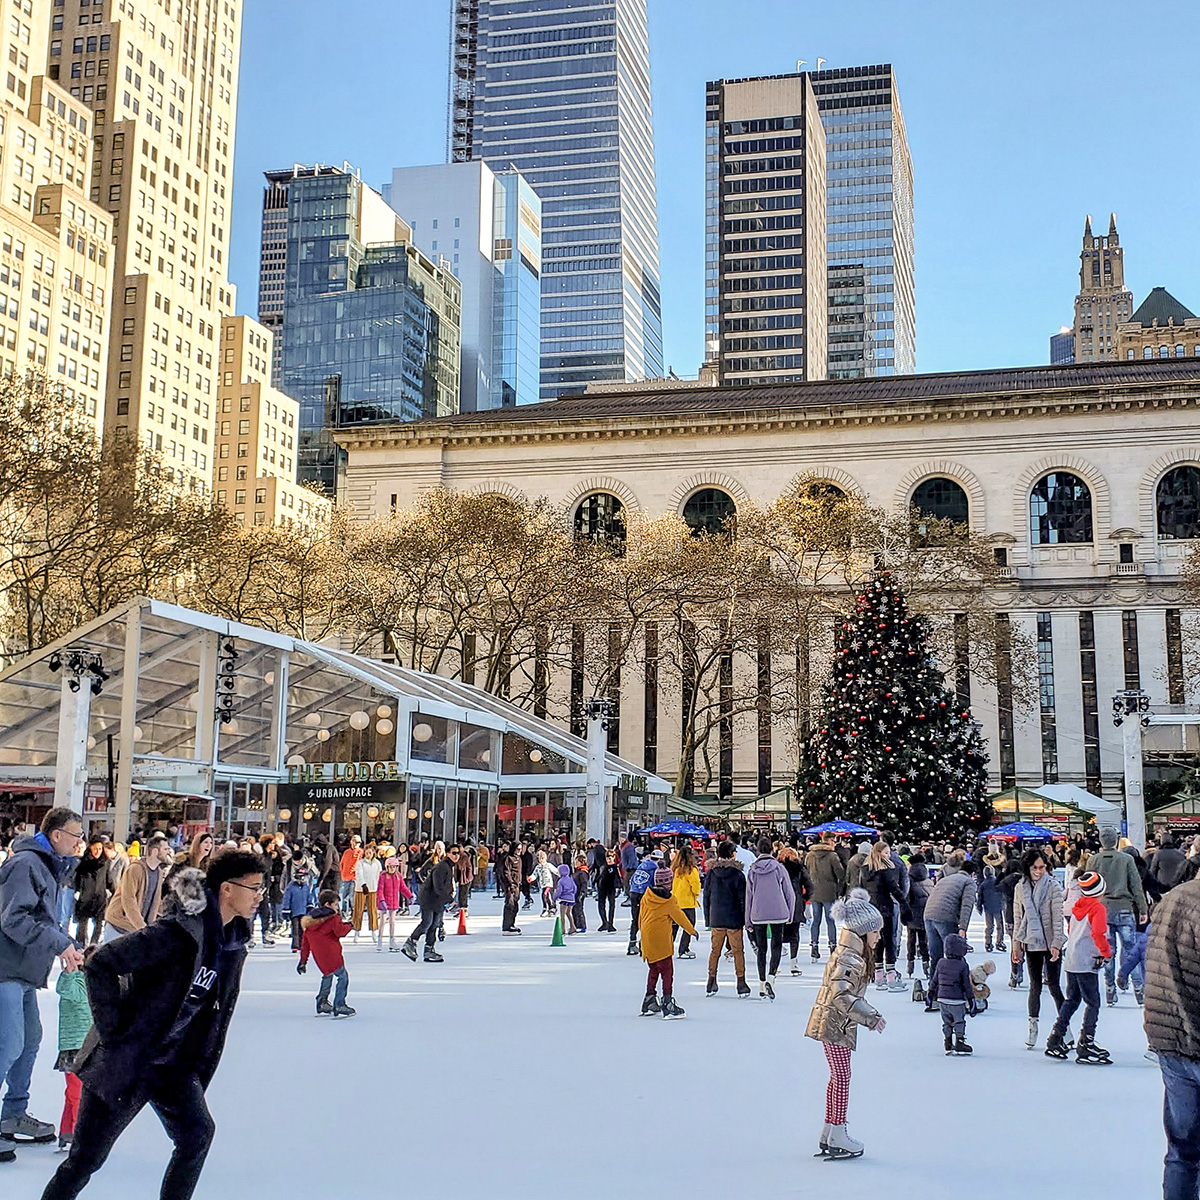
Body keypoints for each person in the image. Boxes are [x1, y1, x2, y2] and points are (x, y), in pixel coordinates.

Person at [41, 852, 262, 1200]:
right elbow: (102, 963)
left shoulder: (233, 942)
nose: (259, 896)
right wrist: (116, 1032)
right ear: (226, 890)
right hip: (131, 1059)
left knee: (197, 1135)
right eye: (254, 888)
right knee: (86, 1159)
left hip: (174, 1063)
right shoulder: (176, 933)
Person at [0, 808, 85, 1158]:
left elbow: (44, 919)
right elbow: (12, 919)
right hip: (5, 969)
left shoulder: (49, 867)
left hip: (24, 972)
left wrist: (70, 946)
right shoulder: (25, 865)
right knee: (10, 1044)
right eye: (76, 834)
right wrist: (58, 944)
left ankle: (13, 1115)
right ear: (55, 836)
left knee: (29, 1040)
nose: (81, 841)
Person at [805, 887, 886, 1161]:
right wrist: (871, 1017)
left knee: (838, 1077)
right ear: (863, 932)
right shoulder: (850, 957)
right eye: (875, 931)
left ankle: (830, 1130)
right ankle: (837, 1131)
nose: (878, 936)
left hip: (834, 1023)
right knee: (842, 1078)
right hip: (835, 1025)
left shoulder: (849, 952)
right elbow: (842, 995)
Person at [1144, 875, 1200, 1199]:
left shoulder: (1171, 900)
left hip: (1171, 1040)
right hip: (1188, 1036)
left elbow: (1155, 967)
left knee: (1182, 1150)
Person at [1044, 871, 1113, 1065]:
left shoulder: (1077, 906)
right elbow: (1099, 933)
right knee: (1093, 1002)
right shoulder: (1097, 908)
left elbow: (1072, 930)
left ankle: (1056, 1037)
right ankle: (1086, 1043)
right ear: (1101, 890)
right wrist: (1106, 953)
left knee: (1072, 999)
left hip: (1072, 959)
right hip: (1086, 960)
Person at [1088, 825, 1148, 1006]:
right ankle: (1138, 989)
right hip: (1124, 908)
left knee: (1108, 951)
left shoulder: (1093, 861)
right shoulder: (1127, 859)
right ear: (1116, 840)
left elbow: (1088, 888)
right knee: (1131, 950)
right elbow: (1136, 886)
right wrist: (1143, 909)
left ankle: (1110, 990)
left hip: (1102, 910)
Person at [1011, 848, 1065, 1051]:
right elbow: (1017, 917)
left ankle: (1063, 1027)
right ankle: (1032, 1026)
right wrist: (1016, 946)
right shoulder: (1020, 888)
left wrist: (1056, 943)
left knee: (1054, 985)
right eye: (1035, 867)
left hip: (1050, 941)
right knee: (1035, 985)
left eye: (1042, 867)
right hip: (1031, 941)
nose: (1039, 871)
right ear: (1028, 867)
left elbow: (1058, 918)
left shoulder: (1053, 886)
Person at [639, 866, 695, 1019]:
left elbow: (640, 916)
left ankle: (649, 999)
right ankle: (668, 1003)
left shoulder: (647, 896)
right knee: (667, 971)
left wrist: (641, 934)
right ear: (668, 883)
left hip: (647, 939)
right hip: (662, 941)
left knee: (654, 969)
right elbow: (680, 917)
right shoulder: (669, 900)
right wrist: (691, 930)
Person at [745, 839, 796, 1001]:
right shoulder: (779, 868)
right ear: (772, 851)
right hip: (778, 911)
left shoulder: (752, 870)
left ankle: (761, 984)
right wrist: (790, 913)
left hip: (758, 912)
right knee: (776, 945)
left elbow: (749, 896)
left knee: (761, 949)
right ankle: (771, 978)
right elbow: (789, 892)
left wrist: (748, 920)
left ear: (758, 850)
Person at [54, 949, 93, 1151]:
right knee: (78, 1093)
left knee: (74, 1092)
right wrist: (70, 971)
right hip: (74, 1049)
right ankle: (81, 1138)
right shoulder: (76, 981)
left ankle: (67, 1131)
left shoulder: (95, 982)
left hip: (85, 1047)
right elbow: (65, 989)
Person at [102, 833, 172, 941]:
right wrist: (142, 927)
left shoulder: (158, 872)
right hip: (118, 927)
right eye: (165, 849)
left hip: (136, 931)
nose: (168, 851)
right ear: (154, 851)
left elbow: (156, 902)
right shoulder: (135, 869)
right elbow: (128, 900)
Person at [297, 888, 355, 1017]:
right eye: (335, 904)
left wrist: (303, 962)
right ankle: (339, 1004)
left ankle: (322, 1002)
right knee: (342, 976)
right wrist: (350, 926)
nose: (337, 908)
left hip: (320, 957)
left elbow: (305, 944)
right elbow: (340, 932)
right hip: (332, 955)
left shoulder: (310, 922)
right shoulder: (333, 918)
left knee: (327, 975)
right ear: (327, 904)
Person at [703, 840, 750, 998]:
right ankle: (741, 982)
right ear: (732, 854)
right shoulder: (737, 874)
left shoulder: (711, 873)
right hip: (734, 918)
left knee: (715, 950)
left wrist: (708, 918)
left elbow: (707, 896)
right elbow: (743, 898)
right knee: (737, 951)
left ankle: (711, 980)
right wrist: (745, 918)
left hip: (716, 916)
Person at [860, 840, 906, 990]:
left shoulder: (865, 870)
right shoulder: (885, 871)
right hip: (885, 908)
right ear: (879, 853)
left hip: (870, 909)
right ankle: (891, 976)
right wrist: (904, 903)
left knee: (876, 941)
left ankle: (878, 974)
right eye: (886, 853)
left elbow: (860, 889)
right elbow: (894, 889)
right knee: (889, 941)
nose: (889, 855)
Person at [402, 842, 455, 961]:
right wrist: (449, 899)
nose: (456, 856)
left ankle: (429, 949)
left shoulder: (448, 866)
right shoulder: (439, 865)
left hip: (437, 899)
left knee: (434, 924)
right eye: (454, 853)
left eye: (458, 854)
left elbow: (447, 885)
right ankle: (410, 943)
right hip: (429, 898)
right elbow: (438, 886)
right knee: (427, 922)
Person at [924, 858, 978, 972]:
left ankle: (934, 985)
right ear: (972, 874)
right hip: (946, 917)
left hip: (929, 915)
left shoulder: (946, 879)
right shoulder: (968, 882)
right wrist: (963, 928)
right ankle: (957, 984)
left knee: (935, 956)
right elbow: (966, 906)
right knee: (954, 953)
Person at [927, 933, 974, 1056]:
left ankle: (947, 1041)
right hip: (957, 999)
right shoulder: (963, 964)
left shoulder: (941, 963)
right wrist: (971, 999)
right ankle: (959, 1041)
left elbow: (934, 980)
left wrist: (930, 994)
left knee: (946, 1022)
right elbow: (966, 985)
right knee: (959, 1021)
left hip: (942, 999)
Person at [805, 832, 846, 962]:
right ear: (829, 840)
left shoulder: (810, 855)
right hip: (829, 892)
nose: (835, 843)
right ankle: (832, 946)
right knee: (830, 921)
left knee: (816, 920)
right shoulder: (832, 856)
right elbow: (841, 874)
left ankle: (814, 946)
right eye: (834, 840)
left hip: (814, 891)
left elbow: (806, 870)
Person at [777, 845, 809, 977]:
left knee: (777, 935)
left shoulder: (777, 868)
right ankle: (793, 964)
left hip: (779, 904)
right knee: (795, 935)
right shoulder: (800, 869)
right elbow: (810, 886)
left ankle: (776, 965)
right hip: (796, 904)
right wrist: (803, 899)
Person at [72, 841, 111, 947]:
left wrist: (110, 890)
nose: (98, 851)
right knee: (82, 923)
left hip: (100, 896)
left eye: (100, 849)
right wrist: (77, 890)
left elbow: (108, 878)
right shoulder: (84, 862)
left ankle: (94, 945)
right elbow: (77, 877)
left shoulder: (105, 862)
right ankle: (80, 944)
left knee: (99, 923)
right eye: (95, 849)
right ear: (90, 848)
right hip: (86, 895)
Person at [904, 853, 933, 978]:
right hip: (925, 913)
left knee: (911, 940)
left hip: (912, 914)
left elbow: (906, 899)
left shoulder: (908, 881)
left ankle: (910, 965)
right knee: (923, 941)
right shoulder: (929, 881)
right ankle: (926, 965)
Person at [626, 849, 660, 955]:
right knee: (645, 919)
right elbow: (655, 883)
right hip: (644, 894)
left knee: (635, 919)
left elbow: (631, 880)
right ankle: (643, 945)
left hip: (633, 892)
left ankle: (632, 944)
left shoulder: (641, 866)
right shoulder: (655, 869)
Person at [671, 842, 701, 959]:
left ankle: (666, 948)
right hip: (687, 902)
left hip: (675, 901)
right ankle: (683, 949)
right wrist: (695, 894)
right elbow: (695, 886)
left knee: (674, 927)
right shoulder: (691, 870)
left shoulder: (675, 869)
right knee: (689, 926)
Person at [977, 842, 1008, 952]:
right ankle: (999, 941)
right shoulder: (997, 881)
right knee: (999, 925)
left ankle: (988, 943)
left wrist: (979, 906)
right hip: (998, 906)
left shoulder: (983, 884)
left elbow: (979, 896)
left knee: (989, 926)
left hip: (988, 907)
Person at [376, 857, 411, 952]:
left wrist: (410, 896)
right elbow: (379, 890)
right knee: (383, 921)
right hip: (384, 902)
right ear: (387, 867)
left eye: (394, 867)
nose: (392, 869)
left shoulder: (398, 876)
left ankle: (392, 941)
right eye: (390, 867)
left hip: (394, 902)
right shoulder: (383, 876)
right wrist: (381, 900)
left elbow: (403, 888)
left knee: (392, 921)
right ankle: (380, 940)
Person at [280, 863, 314, 953]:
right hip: (294, 912)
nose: (301, 879)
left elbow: (309, 897)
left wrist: (310, 906)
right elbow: (287, 899)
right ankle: (295, 945)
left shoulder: (306, 887)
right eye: (300, 877)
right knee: (295, 929)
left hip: (303, 911)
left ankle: (303, 945)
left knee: (303, 929)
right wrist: (285, 910)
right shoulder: (290, 887)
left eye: (303, 877)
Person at [351, 842, 381, 942]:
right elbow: (359, 874)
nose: (369, 854)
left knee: (372, 910)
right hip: (361, 889)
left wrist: (378, 887)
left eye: (370, 853)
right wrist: (363, 884)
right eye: (367, 853)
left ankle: (373, 930)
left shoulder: (377, 863)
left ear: (373, 853)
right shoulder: (361, 863)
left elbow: (379, 876)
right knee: (358, 910)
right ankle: (356, 930)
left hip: (372, 889)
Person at [594, 848, 621, 932]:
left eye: (611, 857)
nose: (609, 859)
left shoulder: (614, 868)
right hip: (602, 887)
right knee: (601, 904)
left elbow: (618, 878)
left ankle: (610, 923)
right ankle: (604, 922)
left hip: (611, 888)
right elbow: (600, 876)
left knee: (612, 905)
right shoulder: (603, 866)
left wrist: (619, 887)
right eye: (607, 857)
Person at [499, 841, 522, 935]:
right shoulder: (508, 858)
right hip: (510, 885)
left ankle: (512, 924)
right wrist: (510, 884)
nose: (519, 851)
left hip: (517, 885)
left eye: (520, 849)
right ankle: (506, 927)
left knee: (515, 906)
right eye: (518, 849)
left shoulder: (519, 858)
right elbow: (506, 872)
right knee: (510, 905)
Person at [338, 834, 362, 918]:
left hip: (355, 877)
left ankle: (353, 911)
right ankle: (344, 912)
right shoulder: (346, 852)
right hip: (346, 876)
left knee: (352, 896)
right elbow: (342, 863)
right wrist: (342, 872)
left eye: (358, 842)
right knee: (345, 895)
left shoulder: (360, 852)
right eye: (355, 842)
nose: (356, 844)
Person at [554, 863, 578, 934]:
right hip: (571, 898)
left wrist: (555, 898)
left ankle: (563, 929)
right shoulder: (570, 879)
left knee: (562, 914)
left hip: (564, 899)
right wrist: (572, 894)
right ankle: (573, 926)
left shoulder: (561, 881)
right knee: (568, 913)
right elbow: (575, 888)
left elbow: (559, 891)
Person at [571, 854, 589, 934]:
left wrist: (582, 893)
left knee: (579, 909)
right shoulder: (577, 871)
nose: (575, 863)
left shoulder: (582, 873)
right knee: (574, 909)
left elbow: (584, 884)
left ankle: (581, 925)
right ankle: (575, 924)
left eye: (577, 862)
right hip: (574, 893)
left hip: (579, 893)